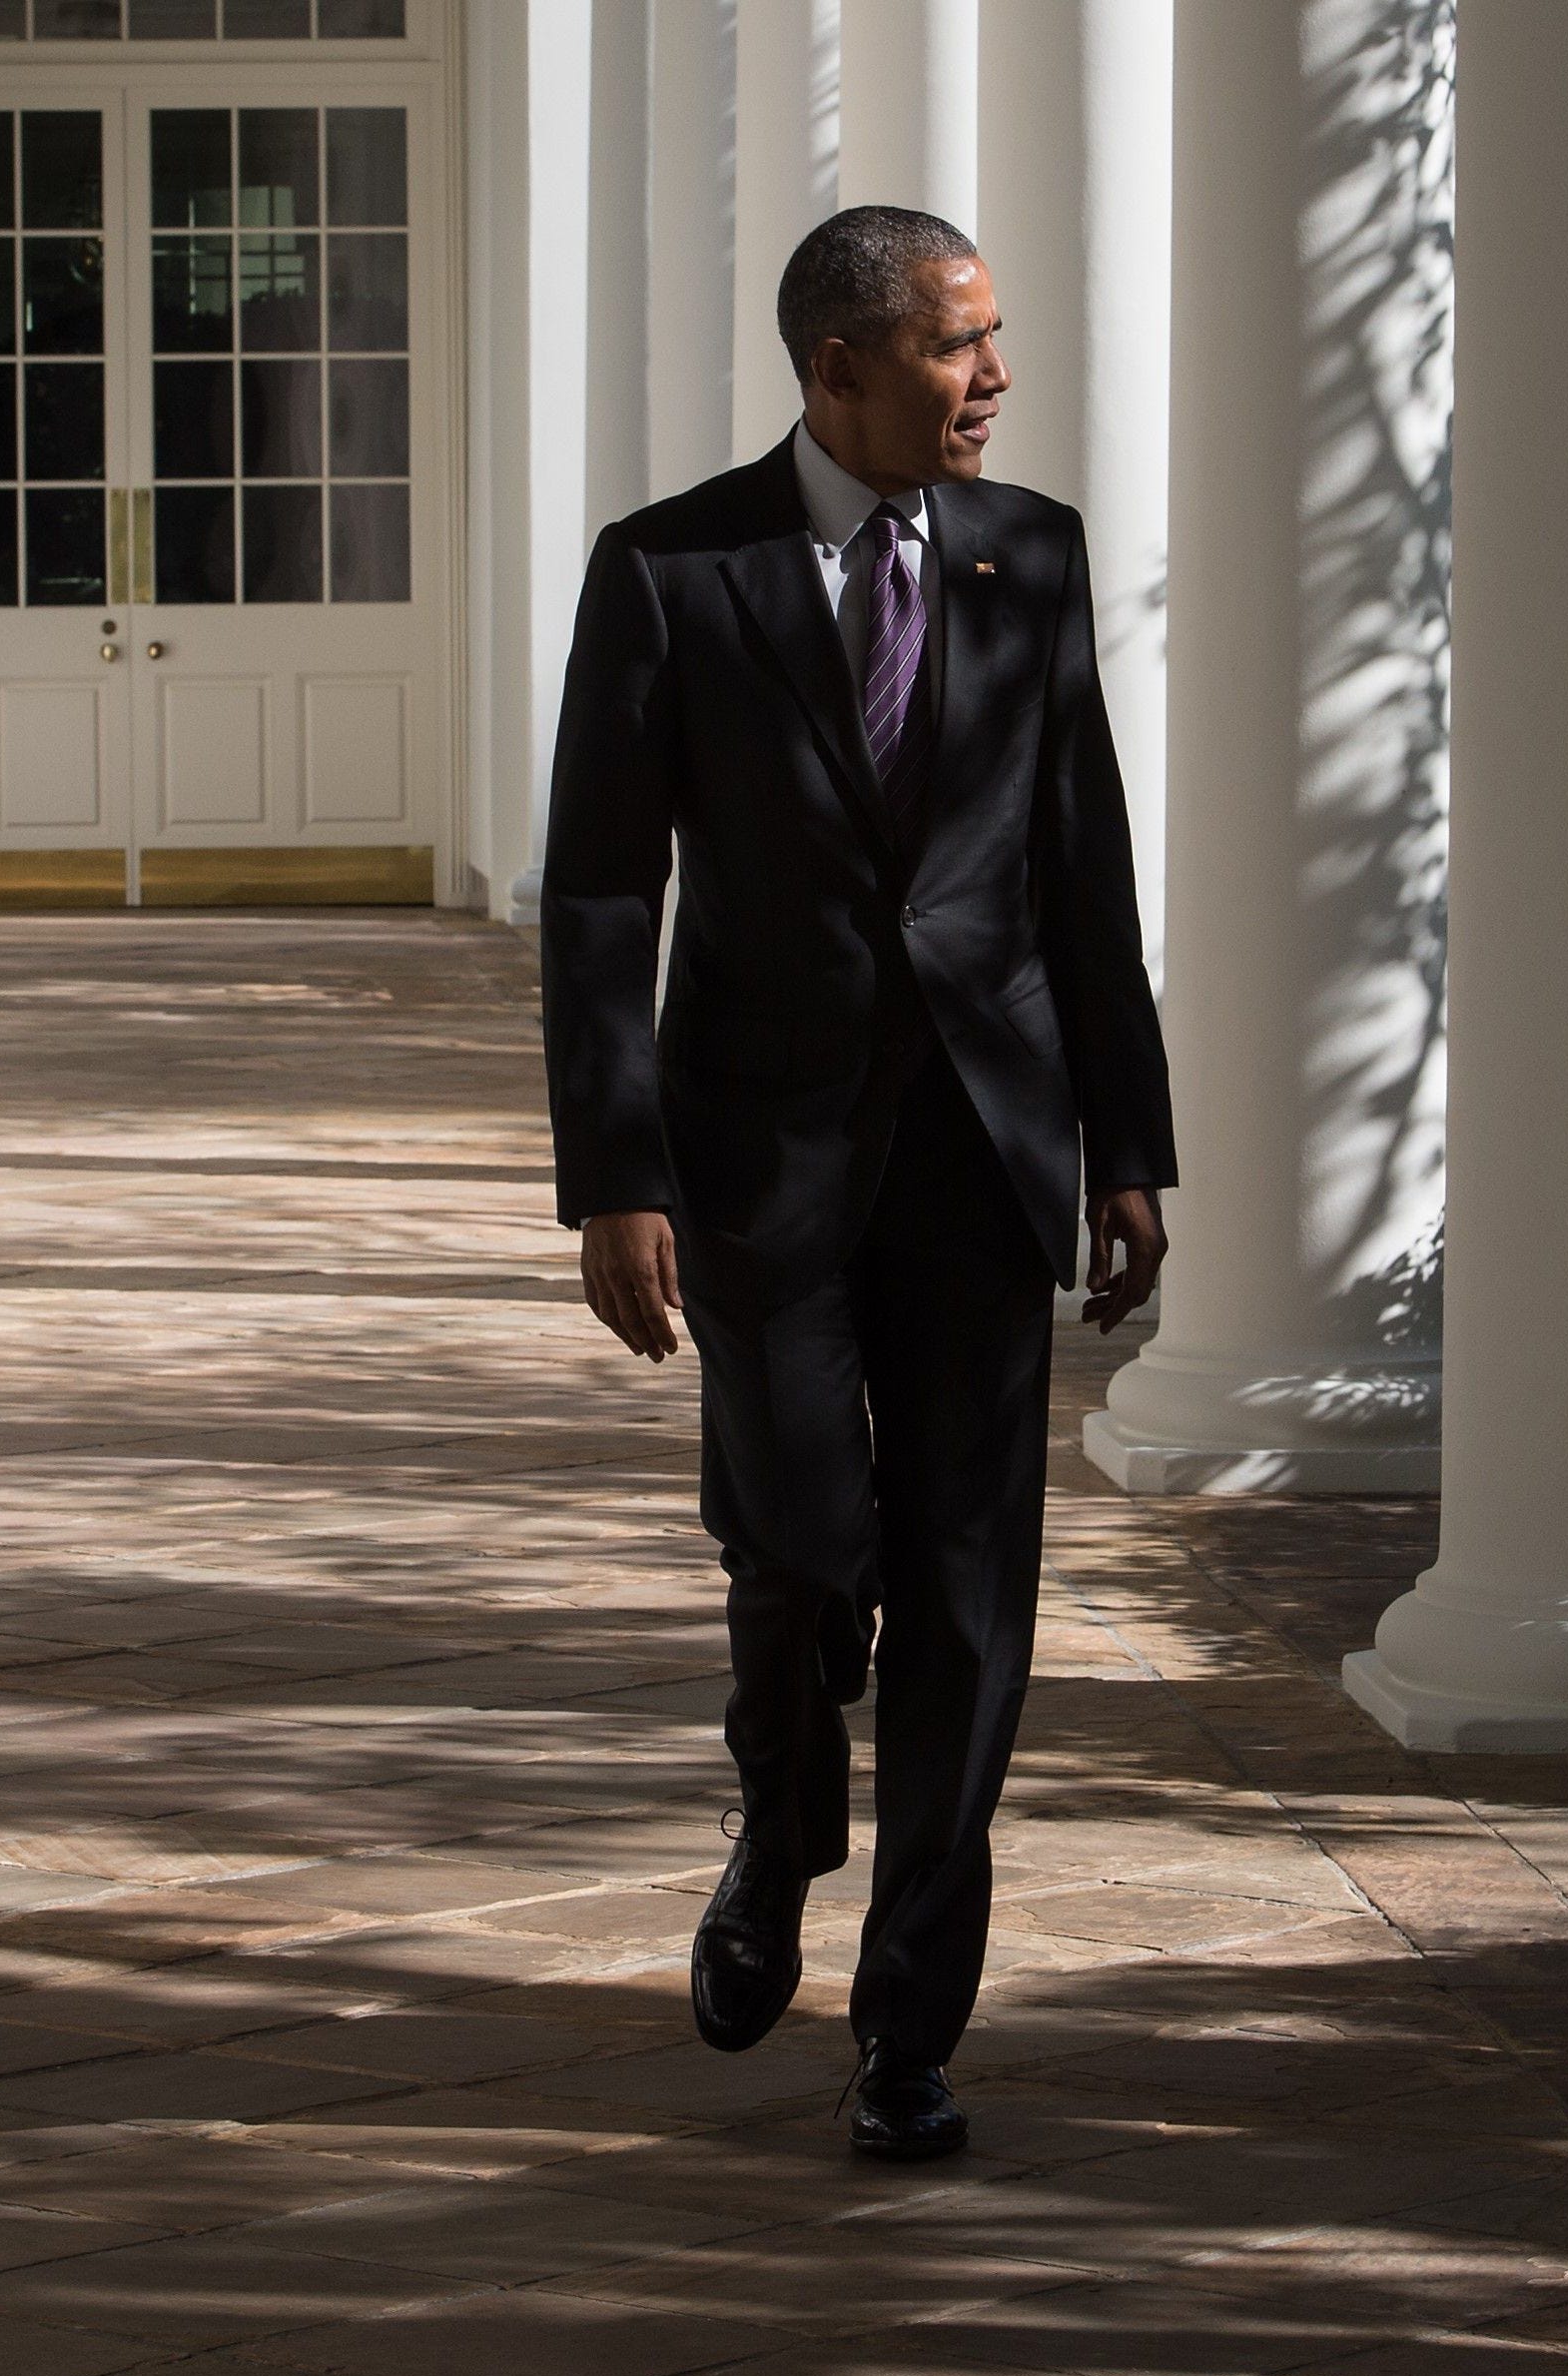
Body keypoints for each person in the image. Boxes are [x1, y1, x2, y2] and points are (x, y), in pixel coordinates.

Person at [537, 206, 1174, 2161]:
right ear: (837, 367)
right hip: (757, 1157)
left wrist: (1130, 1141)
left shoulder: (1029, 554)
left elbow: (1081, 859)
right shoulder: (671, 570)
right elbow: (594, 889)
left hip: (987, 1152)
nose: (991, 377)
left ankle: (910, 2026)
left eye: (992, 339)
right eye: (954, 345)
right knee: (803, 1543)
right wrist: (612, 1167)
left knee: (972, 1596)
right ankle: (782, 1825)